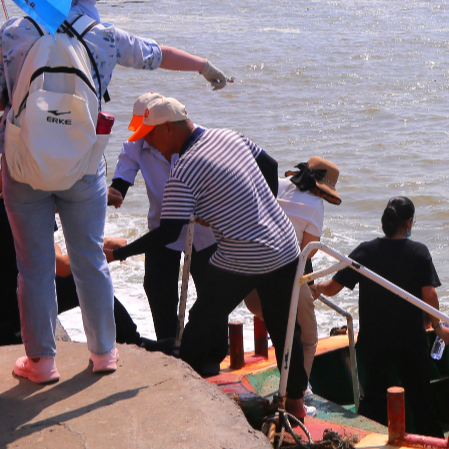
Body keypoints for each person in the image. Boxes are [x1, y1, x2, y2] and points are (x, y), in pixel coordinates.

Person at [0, 0, 230, 383]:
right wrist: (203, 66)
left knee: (32, 265)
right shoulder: (104, 37)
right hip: (82, 164)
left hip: (24, 165)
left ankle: (41, 362)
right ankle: (105, 354)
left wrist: (29, 107)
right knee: (89, 257)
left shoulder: (13, 31)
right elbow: (157, 54)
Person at [102, 95, 309, 418]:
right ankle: (296, 405)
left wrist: (121, 253)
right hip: (283, 244)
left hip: (242, 252)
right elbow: (269, 164)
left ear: (168, 128)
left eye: (150, 136)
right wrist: (258, 208)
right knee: (284, 324)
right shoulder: (228, 135)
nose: (150, 145)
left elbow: (169, 232)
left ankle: (187, 397)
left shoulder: (184, 169)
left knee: (200, 324)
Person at [317, 196, 449, 437]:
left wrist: (312, 287)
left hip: (374, 341)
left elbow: (331, 288)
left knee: (374, 400)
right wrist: (438, 327)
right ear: (409, 222)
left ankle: (370, 446)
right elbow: (429, 294)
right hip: (410, 341)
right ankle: (432, 448)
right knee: (421, 400)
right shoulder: (418, 252)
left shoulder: (366, 251)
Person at [0, 173, 150, 350]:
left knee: (74, 282)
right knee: (83, 279)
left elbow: (51, 248)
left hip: (5, 295)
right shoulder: (21, 207)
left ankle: (131, 340)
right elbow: (62, 266)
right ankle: (130, 344)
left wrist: (96, 196)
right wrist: (111, 250)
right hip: (13, 311)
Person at [108, 92, 218, 347]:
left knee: (211, 293)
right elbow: (119, 189)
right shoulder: (135, 146)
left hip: (203, 232)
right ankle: (168, 345)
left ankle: (211, 350)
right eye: (140, 131)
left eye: (148, 131)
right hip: (162, 230)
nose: (144, 138)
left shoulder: (198, 139)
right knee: (157, 289)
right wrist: (107, 194)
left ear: (166, 127)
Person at [247, 157, 340, 383]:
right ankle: (297, 394)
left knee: (284, 330)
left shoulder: (276, 184)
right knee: (306, 339)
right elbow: (307, 251)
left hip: (250, 281)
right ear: (322, 190)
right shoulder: (315, 205)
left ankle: (287, 386)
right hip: (284, 277)